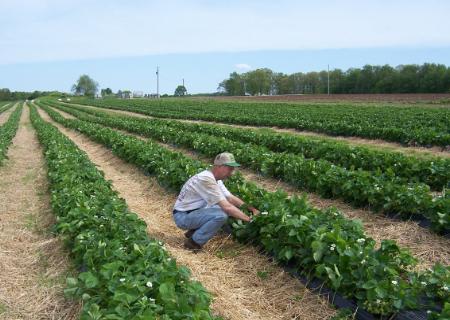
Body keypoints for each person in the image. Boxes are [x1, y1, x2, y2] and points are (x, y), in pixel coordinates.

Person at [172, 152, 260, 251]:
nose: (231, 172)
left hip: (193, 212)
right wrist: (249, 219)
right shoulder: (206, 179)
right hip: (183, 216)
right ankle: (193, 243)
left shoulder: (215, 180)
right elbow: (227, 207)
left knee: (224, 208)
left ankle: (194, 231)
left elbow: (230, 198)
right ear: (219, 166)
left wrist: (252, 209)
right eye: (229, 168)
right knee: (221, 214)